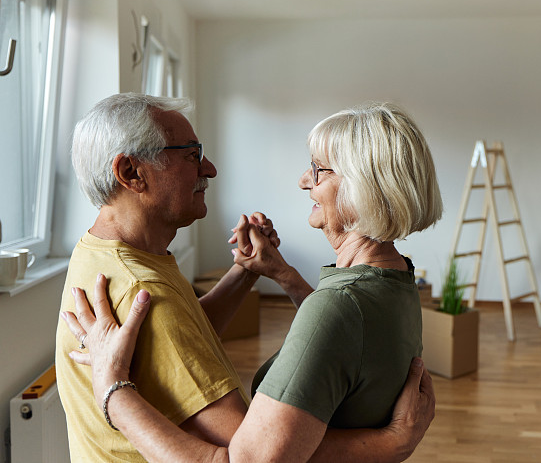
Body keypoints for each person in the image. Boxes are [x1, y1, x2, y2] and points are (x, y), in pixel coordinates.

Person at [56, 94, 435, 462]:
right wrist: (390, 444)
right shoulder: (142, 290)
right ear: (130, 173)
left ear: (362, 190)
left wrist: (248, 272)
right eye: (192, 154)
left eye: (319, 170)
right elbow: (250, 448)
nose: (210, 169)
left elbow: (184, 336)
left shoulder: (101, 251)